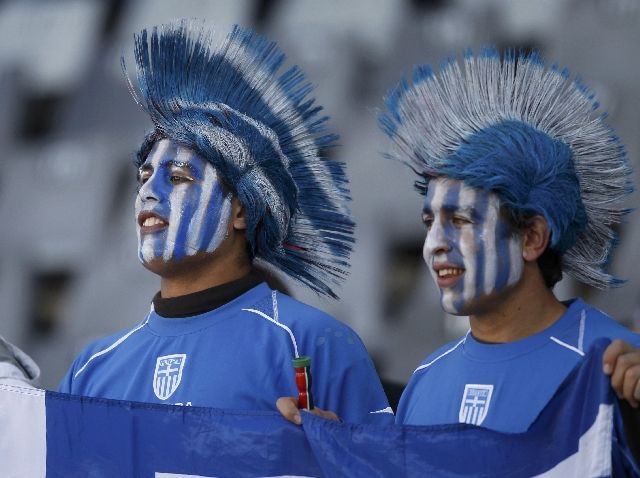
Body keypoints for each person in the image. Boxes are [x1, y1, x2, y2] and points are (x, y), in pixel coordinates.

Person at [278, 49, 640, 466]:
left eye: (462, 221)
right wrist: (337, 449)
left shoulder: (619, 365)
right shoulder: (428, 378)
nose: (434, 245)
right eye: (429, 221)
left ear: (533, 237)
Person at [58, 20, 392, 425]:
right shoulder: (91, 369)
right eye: (144, 177)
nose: (148, 193)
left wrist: (334, 452)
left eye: (178, 178)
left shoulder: (315, 344)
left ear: (241, 210)